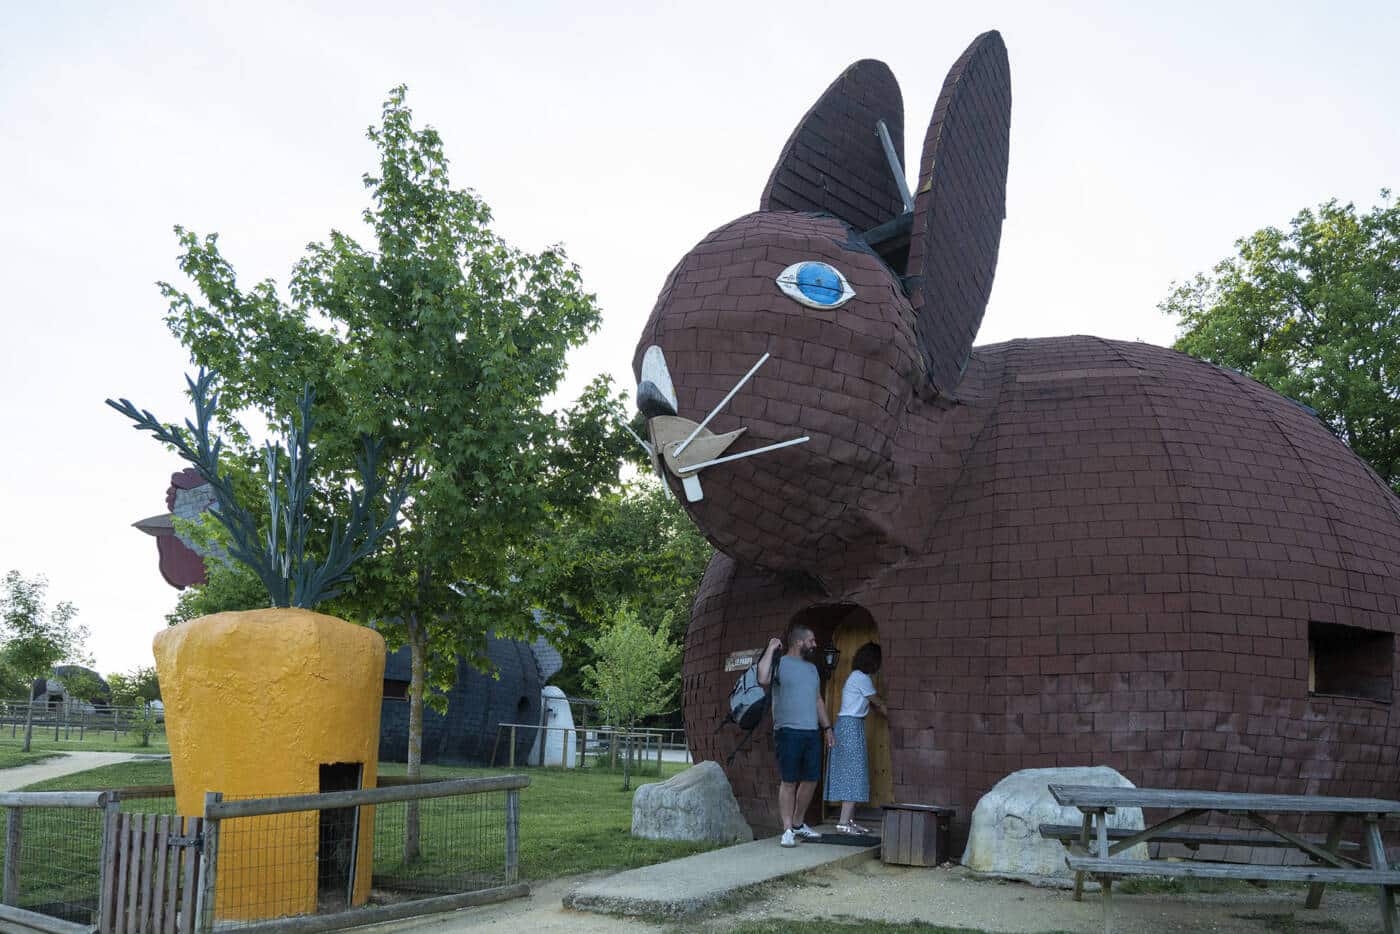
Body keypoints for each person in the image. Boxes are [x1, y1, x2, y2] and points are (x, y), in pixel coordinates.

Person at [757, 622, 835, 848]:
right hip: (787, 731)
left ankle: (799, 824)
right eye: (811, 641)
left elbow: (817, 699)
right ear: (799, 642)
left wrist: (827, 727)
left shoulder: (812, 669)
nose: (815, 645)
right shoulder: (780, 663)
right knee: (789, 781)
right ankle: (787, 829)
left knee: (811, 780)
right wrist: (771, 648)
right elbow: (762, 678)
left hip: (811, 731)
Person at [825, 642, 888, 834]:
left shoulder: (857, 677)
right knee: (852, 772)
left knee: (855, 771)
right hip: (850, 726)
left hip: (851, 725)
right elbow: (877, 703)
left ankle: (850, 821)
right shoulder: (861, 678)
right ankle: (843, 823)